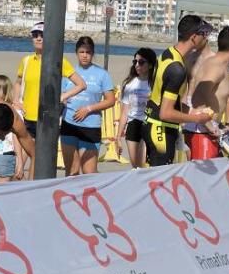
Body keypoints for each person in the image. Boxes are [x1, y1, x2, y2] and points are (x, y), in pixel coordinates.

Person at [143, 14, 216, 166]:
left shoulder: (168, 53)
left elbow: (167, 97)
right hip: (161, 130)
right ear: (194, 37)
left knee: (156, 181)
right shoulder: (177, 69)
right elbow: (166, 112)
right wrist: (197, 119)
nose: (206, 38)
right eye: (204, 34)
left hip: (152, 124)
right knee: (160, 184)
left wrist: (193, 112)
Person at [13, 21, 85, 141]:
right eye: (35, 35)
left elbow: (81, 84)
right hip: (27, 117)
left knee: (44, 158)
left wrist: (63, 96)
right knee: (25, 157)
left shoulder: (59, 60)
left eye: (42, 35)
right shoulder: (26, 61)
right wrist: (16, 100)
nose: (39, 38)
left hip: (48, 120)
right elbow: (18, 83)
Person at [183, 23, 229, 160]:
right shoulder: (216, 66)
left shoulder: (222, 65)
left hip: (207, 130)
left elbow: (212, 99)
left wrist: (219, 125)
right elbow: (198, 97)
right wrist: (211, 126)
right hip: (202, 132)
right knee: (203, 180)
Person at [59, 36, 115, 176]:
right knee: (71, 172)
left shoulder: (102, 74)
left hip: (90, 127)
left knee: (89, 173)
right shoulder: (69, 73)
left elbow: (110, 100)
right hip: (69, 124)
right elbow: (62, 96)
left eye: (88, 52)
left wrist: (88, 109)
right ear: (77, 52)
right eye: (82, 52)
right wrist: (63, 101)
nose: (85, 56)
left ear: (93, 53)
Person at [116, 48, 155, 169]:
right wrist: (118, 137)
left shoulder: (154, 84)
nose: (137, 65)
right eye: (135, 62)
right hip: (133, 124)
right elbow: (125, 112)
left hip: (149, 124)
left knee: (143, 164)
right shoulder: (130, 84)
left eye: (141, 62)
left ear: (150, 65)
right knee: (135, 165)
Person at [0, 75, 23, 182]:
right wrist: (19, 160)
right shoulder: (14, 111)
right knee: (2, 194)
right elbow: (17, 137)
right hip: (5, 155)